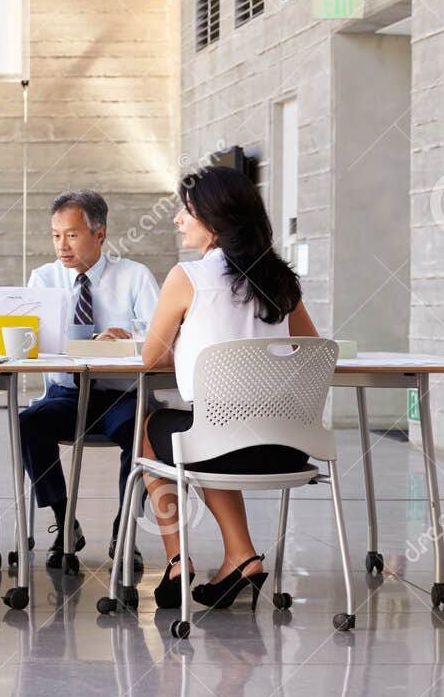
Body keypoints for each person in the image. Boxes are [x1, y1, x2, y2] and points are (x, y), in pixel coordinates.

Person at [141, 166, 318, 611]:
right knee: (215, 430)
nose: (179, 220)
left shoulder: (188, 278)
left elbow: (150, 359)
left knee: (154, 430)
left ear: (215, 221)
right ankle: (240, 558)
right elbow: (313, 349)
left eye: (186, 211)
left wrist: (186, 340)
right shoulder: (281, 281)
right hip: (287, 448)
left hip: (220, 446)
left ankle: (178, 562)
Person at [19, 190, 160, 569]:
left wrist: (129, 337)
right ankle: (64, 522)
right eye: (55, 235)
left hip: (122, 397)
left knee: (141, 431)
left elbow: (162, 340)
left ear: (100, 234)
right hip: (67, 394)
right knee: (29, 423)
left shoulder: (134, 276)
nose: (62, 245)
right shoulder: (44, 278)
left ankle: (123, 529)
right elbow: (29, 341)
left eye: (72, 234)